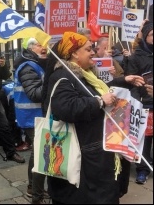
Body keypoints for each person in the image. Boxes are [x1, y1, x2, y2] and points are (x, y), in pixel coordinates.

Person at [41, 31, 144, 204]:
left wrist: (123, 80)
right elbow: (66, 108)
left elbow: (93, 92)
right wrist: (99, 102)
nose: (93, 52)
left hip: (94, 155)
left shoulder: (84, 74)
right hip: (82, 158)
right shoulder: (62, 76)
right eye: (88, 49)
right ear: (74, 53)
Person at [13, 38, 49, 204]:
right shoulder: (28, 66)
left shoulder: (33, 63)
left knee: (38, 154)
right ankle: (36, 192)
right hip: (31, 117)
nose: (44, 47)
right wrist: (51, 80)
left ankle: (34, 188)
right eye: (40, 44)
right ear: (31, 47)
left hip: (34, 116)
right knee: (39, 155)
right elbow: (34, 93)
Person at [126, 20, 153, 184]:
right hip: (145, 104)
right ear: (145, 37)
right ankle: (142, 169)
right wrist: (138, 100)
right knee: (144, 140)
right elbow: (131, 81)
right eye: (151, 34)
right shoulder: (137, 56)